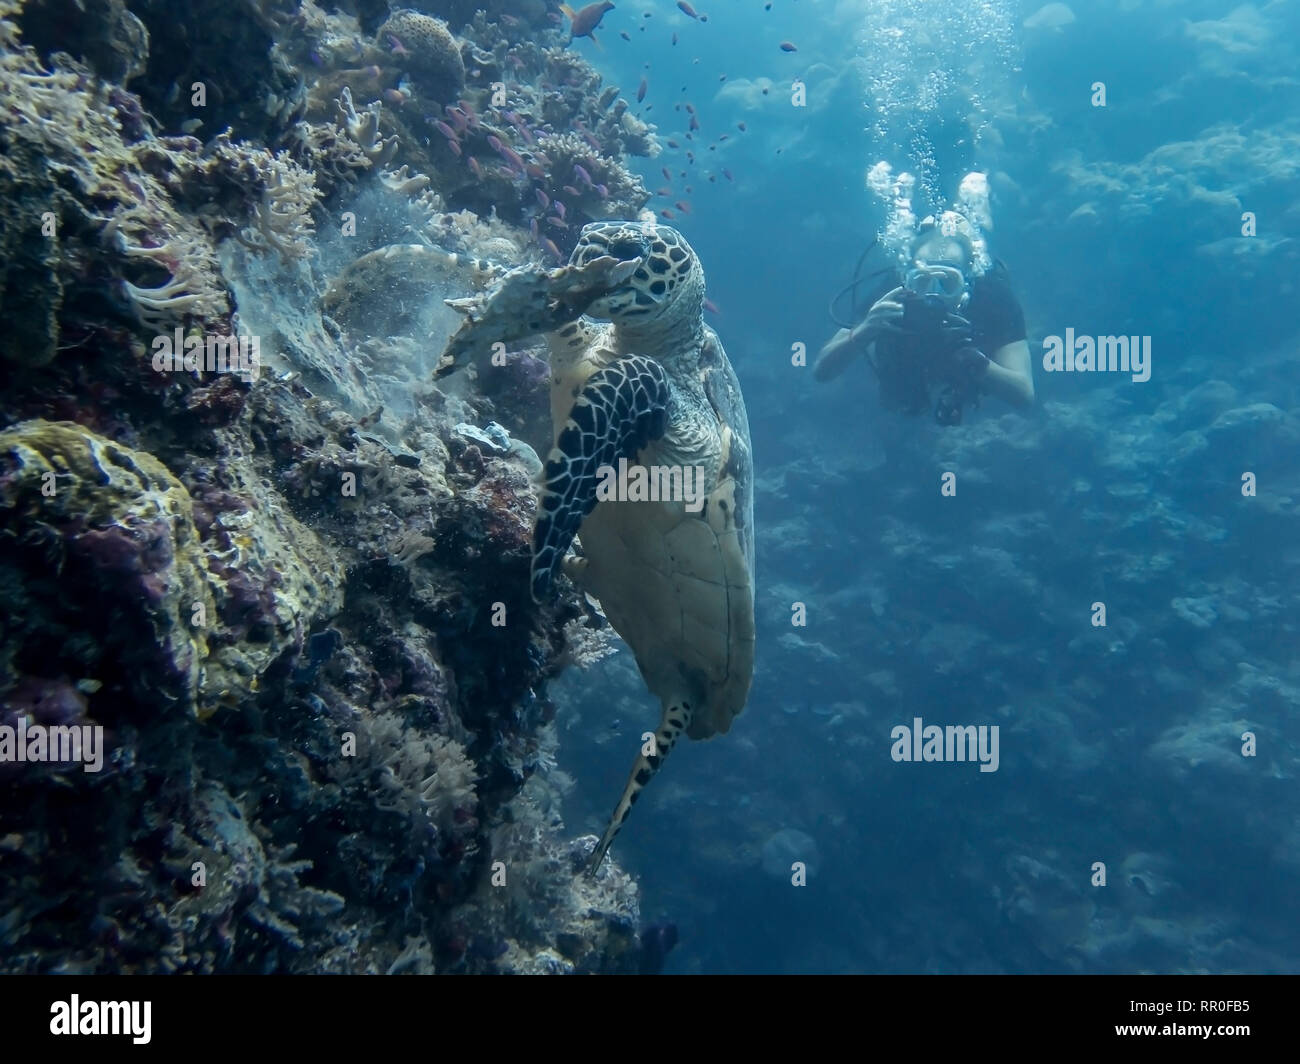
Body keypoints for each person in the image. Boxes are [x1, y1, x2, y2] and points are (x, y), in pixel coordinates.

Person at [814, 214, 1034, 424]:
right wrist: (865, 330)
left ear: (968, 280)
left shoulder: (992, 298)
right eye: (922, 280)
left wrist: (976, 362)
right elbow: (822, 371)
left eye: (948, 281)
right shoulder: (894, 296)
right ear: (906, 278)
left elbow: (1024, 393)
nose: (933, 293)